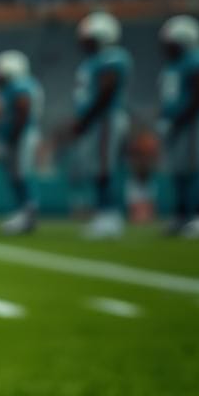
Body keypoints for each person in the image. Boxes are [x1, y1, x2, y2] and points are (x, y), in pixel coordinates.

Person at [70, 12, 132, 239]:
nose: (83, 43)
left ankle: (110, 215)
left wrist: (85, 119)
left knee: (105, 169)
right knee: (97, 168)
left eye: (88, 38)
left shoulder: (112, 58)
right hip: (97, 120)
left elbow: (106, 90)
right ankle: (104, 214)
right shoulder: (92, 61)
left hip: (105, 118)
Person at [157, 15, 199, 237]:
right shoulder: (173, 65)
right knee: (179, 172)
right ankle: (182, 215)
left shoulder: (195, 61)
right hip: (176, 125)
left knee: (194, 170)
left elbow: (197, 97)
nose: (166, 47)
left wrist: (179, 119)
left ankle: (197, 216)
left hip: (192, 124)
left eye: (171, 42)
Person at [0, 50, 43, 235]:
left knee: (21, 174)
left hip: (21, 136)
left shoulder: (19, 85)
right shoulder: (20, 85)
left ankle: (28, 212)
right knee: (16, 175)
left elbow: (22, 110)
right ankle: (23, 210)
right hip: (20, 135)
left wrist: (13, 137)